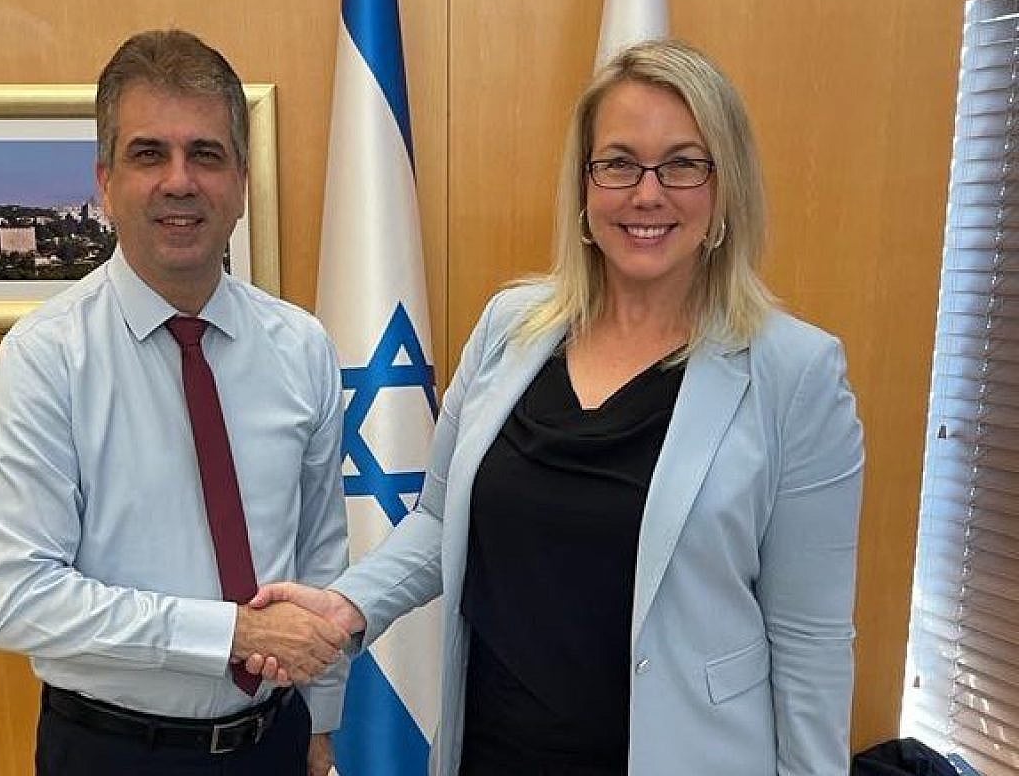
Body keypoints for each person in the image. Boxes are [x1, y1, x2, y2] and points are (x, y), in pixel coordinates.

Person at [250, 39, 864, 775]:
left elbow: (811, 644)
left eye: (682, 163)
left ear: (724, 186)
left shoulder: (795, 374)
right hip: (496, 753)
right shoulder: (512, 327)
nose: (647, 192)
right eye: (618, 162)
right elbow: (443, 522)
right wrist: (346, 606)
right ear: (584, 185)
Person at [0, 29, 349, 776]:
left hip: (274, 742)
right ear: (104, 180)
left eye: (206, 154)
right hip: (112, 752)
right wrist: (232, 635)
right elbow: (20, 599)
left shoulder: (301, 347)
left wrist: (321, 721)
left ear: (243, 181)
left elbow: (320, 560)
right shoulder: (46, 357)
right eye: (149, 154)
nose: (180, 181)